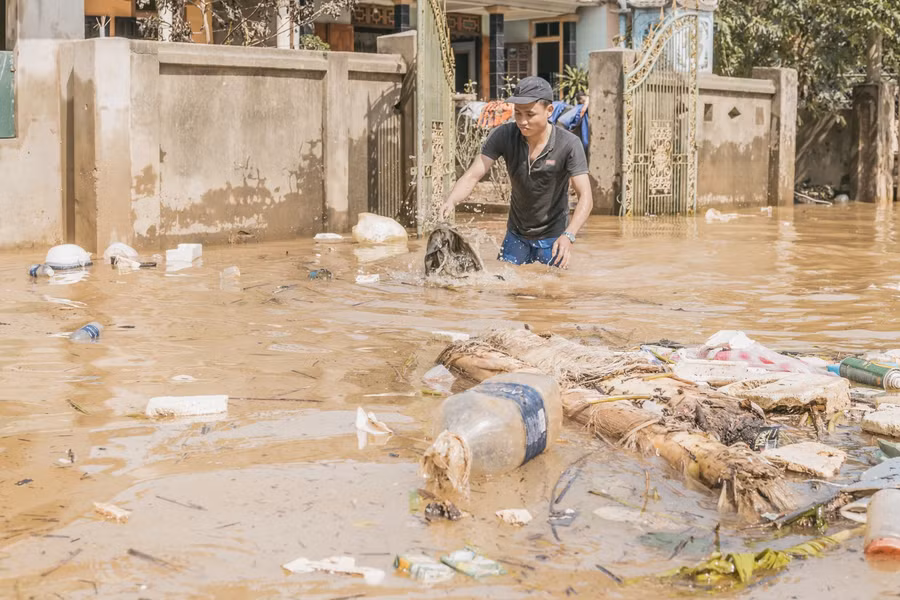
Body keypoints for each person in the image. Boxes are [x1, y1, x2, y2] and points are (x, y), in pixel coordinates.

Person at [441, 76, 593, 269]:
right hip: (516, 235)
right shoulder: (504, 135)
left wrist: (569, 235)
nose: (522, 121)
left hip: (553, 238)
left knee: (554, 294)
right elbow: (473, 175)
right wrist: (451, 201)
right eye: (518, 113)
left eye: (530, 114)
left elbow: (586, 197)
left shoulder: (569, 144)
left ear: (549, 111)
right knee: (508, 290)